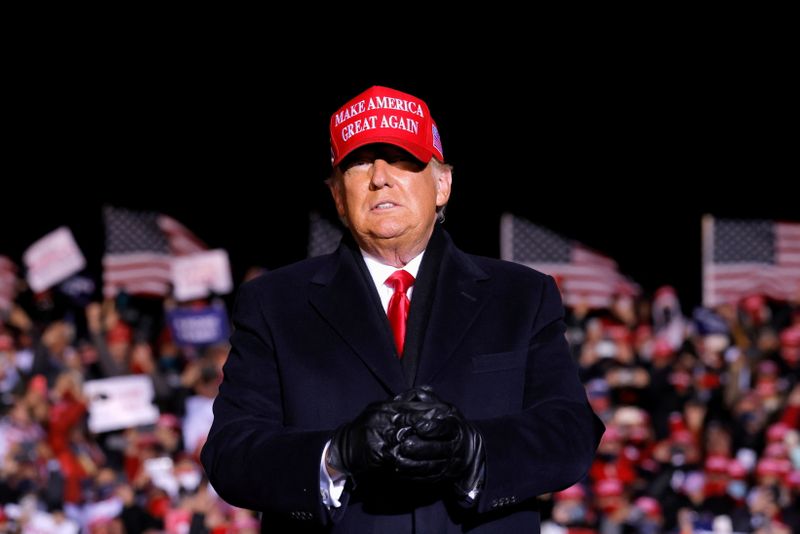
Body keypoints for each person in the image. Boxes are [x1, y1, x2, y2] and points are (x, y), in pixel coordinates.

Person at [201, 85, 604, 533]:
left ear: (443, 184)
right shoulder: (272, 303)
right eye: (358, 163)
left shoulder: (522, 296)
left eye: (403, 159)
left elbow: (571, 431)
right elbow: (230, 452)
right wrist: (337, 454)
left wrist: (474, 451)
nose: (379, 177)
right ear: (337, 196)